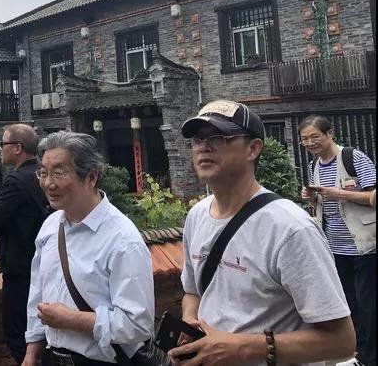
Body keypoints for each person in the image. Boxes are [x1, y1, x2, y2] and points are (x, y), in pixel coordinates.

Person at [170, 100, 355, 366]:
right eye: (197, 140)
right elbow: (192, 293)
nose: (203, 147)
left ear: (253, 149)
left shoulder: (290, 229)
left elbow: (341, 341)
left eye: (218, 138)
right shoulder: (197, 216)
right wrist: (190, 322)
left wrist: (242, 348)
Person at [22, 131, 155, 366]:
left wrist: (73, 320)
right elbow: (38, 295)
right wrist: (31, 354)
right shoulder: (50, 227)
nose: (49, 183)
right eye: (43, 173)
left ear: (91, 177)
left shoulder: (122, 239)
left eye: (59, 173)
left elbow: (137, 325)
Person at [299, 115, 375, 366]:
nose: (309, 143)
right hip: (336, 246)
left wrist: (338, 193)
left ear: (330, 134)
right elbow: (323, 203)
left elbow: (373, 196)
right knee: (349, 303)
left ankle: (368, 358)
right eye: (304, 139)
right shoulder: (314, 166)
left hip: (366, 245)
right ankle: (359, 354)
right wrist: (312, 197)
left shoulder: (353, 158)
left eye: (314, 137)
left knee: (368, 305)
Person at [0, 123, 48, 364]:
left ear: (17, 148)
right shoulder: (42, 174)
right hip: (43, 263)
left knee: (18, 334)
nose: (0, 149)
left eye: (3, 144)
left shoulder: (16, 180)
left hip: (20, 268)